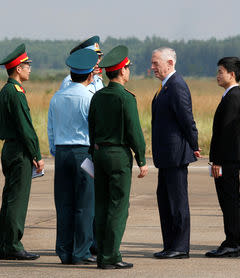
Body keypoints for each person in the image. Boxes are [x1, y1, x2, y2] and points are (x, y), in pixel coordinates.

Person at [88, 45, 148, 269]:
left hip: (99, 153)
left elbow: (91, 128)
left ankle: (102, 253)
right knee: (118, 207)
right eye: (128, 68)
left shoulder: (98, 96)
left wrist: (93, 153)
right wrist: (141, 159)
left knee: (101, 205)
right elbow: (134, 132)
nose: (129, 72)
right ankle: (111, 256)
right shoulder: (126, 98)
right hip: (118, 156)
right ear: (122, 71)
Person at [47, 49, 98, 265]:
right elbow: (94, 129)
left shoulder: (57, 97)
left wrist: (55, 150)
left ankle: (64, 250)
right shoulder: (89, 97)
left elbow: (50, 128)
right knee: (85, 204)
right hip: (83, 153)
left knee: (64, 203)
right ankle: (81, 251)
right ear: (89, 75)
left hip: (61, 153)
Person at [151, 47, 200, 259]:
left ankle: (180, 247)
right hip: (166, 156)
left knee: (177, 202)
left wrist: (194, 144)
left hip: (176, 154)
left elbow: (186, 119)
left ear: (170, 63)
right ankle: (170, 244)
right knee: (165, 199)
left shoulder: (177, 85)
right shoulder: (165, 86)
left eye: (156, 63)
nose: (152, 67)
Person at [0, 44, 44, 260]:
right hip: (19, 150)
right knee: (17, 199)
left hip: (10, 148)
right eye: (27, 65)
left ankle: (5, 245)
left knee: (9, 199)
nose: (29, 69)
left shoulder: (6, 90)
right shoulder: (15, 93)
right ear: (17, 68)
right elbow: (26, 128)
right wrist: (37, 155)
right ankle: (13, 245)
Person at [206, 57, 240, 258]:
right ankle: (231, 239)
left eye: (221, 71)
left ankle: (233, 242)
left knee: (230, 200)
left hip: (228, 159)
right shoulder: (231, 96)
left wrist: (217, 161)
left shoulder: (233, 98)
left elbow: (227, 133)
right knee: (229, 200)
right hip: (229, 157)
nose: (218, 75)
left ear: (232, 74)